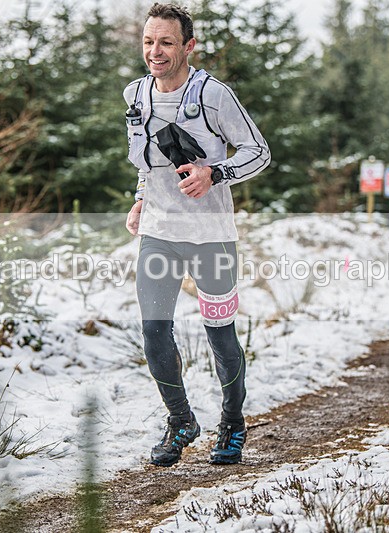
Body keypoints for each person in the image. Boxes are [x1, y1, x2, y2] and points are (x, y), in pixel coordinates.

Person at [123, 3, 270, 467]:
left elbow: (258, 152)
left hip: (211, 234)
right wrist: (142, 197)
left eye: (166, 42)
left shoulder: (212, 95)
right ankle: (181, 420)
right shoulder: (136, 95)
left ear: (189, 46)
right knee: (153, 332)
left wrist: (215, 173)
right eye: (149, 41)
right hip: (159, 232)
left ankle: (232, 424)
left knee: (220, 335)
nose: (155, 51)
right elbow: (148, 163)